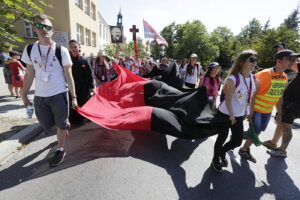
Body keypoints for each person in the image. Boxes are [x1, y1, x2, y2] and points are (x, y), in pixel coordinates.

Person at [21, 13, 77, 167]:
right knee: (46, 124)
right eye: (39, 26)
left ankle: (60, 148)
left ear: (52, 31)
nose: (43, 29)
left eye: (47, 27)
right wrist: (24, 93)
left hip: (59, 95)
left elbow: (69, 75)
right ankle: (63, 126)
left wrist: (73, 97)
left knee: (60, 125)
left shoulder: (61, 50)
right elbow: (29, 73)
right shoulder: (30, 49)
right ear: (34, 28)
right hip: (40, 97)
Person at [239, 49, 296, 163]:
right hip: (256, 109)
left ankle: (238, 135)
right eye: (289, 59)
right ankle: (244, 149)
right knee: (257, 131)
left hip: (267, 111)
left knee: (258, 130)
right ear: (279, 61)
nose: (292, 61)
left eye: (293, 59)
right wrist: (250, 111)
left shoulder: (284, 77)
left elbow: (279, 97)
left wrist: (279, 113)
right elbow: (252, 93)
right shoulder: (264, 74)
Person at [211, 50, 257, 172]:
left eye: (255, 60)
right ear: (241, 62)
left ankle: (221, 152)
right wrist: (231, 115)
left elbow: (250, 98)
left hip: (239, 115)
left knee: (236, 141)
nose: (254, 63)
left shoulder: (253, 78)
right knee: (222, 137)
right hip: (226, 113)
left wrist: (249, 112)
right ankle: (215, 159)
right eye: (251, 60)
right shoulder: (232, 78)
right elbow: (228, 98)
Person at [267, 62, 300, 158]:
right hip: (292, 104)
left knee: (286, 126)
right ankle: (274, 143)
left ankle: (282, 150)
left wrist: (283, 52)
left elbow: (291, 64)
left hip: (293, 105)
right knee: (282, 123)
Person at [68, 39, 94, 125]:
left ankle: (85, 116)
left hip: (83, 88)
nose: (73, 48)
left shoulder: (84, 59)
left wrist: (92, 87)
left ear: (79, 47)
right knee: (73, 105)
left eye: (75, 46)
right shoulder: (67, 60)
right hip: (71, 87)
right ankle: (75, 119)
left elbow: (90, 75)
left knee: (84, 102)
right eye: (71, 47)